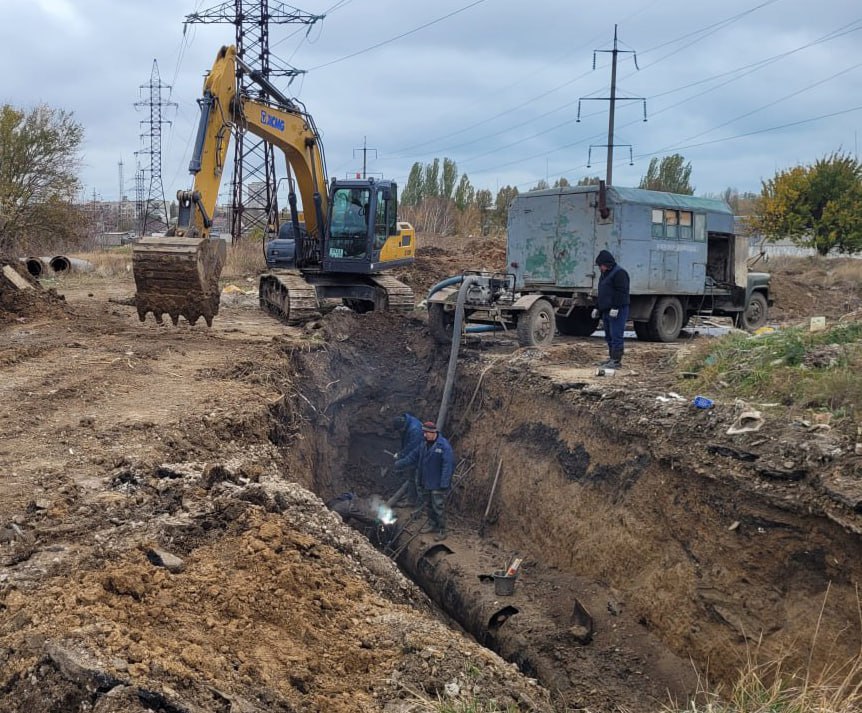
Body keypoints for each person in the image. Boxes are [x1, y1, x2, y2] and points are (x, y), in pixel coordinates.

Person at [393, 421, 454, 540]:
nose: (424, 435)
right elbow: (412, 457)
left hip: (437, 484)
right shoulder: (423, 445)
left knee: (438, 507)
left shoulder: (444, 446)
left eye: (426, 433)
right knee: (429, 506)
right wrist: (400, 463)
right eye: (424, 433)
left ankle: (442, 529)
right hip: (426, 482)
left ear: (433, 432)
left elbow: (448, 466)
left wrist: (444, 484)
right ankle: (432, 524)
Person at [592, 250, 630, 369]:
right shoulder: (604, 274)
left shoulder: (620, 273)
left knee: (616, 335)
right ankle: (611, 358)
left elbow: (622, 292)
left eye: (601, 265)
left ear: (607, 263)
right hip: (606, 310)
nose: (600, 268)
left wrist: (616, 307)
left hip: (618, 310)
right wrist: (597, 307)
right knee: (608, 335)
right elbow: (603, 293)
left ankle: (616, 361)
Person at [392, 412, 424, 506]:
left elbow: (412, 448)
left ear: (403, 426)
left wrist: (401, 456)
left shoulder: (415, 430)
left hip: (421, 457)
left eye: (400, 430)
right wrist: (401, 454)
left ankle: (420, 506)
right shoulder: (407, 424)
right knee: (411, 478)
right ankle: (411, 500)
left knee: (419, 481)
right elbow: (407, 443)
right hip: (415, 455)